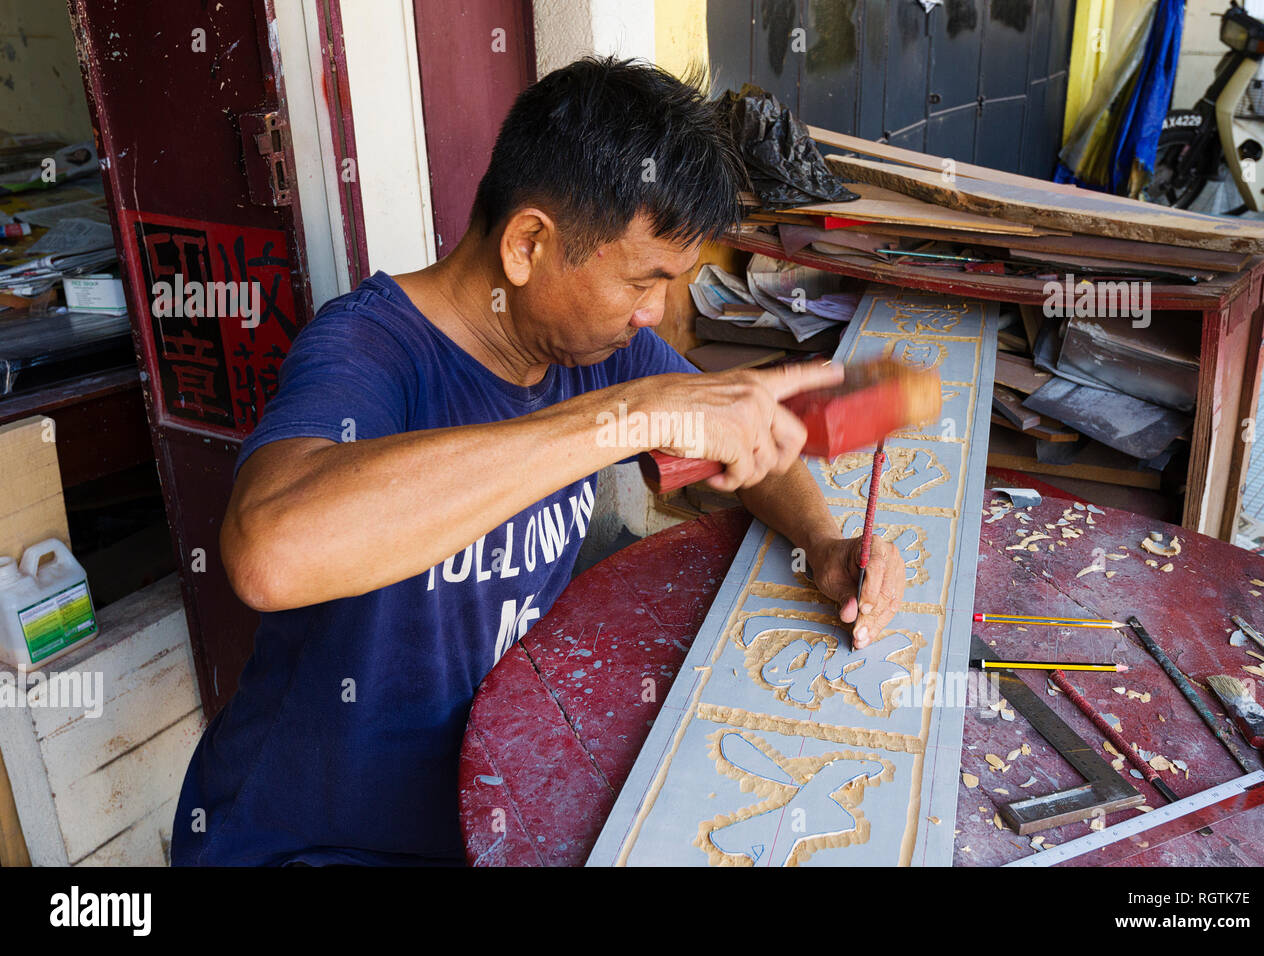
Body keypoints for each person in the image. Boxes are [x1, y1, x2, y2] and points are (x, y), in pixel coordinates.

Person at [171, 56, 905, 866]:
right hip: (309, 844)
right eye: (642, 281)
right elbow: (271, 553)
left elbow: (740, 439)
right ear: (527, 244)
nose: (653, 313)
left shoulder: (591, 346)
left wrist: (826, 546)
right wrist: (622, 416)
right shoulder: (368, 349)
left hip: (489, 803)